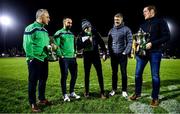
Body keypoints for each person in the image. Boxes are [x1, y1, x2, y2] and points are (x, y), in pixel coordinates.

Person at [129, 5, 170, 107]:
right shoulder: (142, 24)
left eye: (145, 11)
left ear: (152, 11)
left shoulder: (161, 21)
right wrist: (137, 45)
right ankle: (137, 93)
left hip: (155, 52)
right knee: (137, 74)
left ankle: (155, 98)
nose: (143, 13)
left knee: (155, 76)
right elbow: (139, 38)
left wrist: (153, 43)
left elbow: (167, 36)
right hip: (142, 54)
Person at [23, 9, 51, 112]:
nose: (49, 19)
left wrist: (50, 47)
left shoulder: (45, 30)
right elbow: (27, 44)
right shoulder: (31, 28)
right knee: (33, 82)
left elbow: (45, 44)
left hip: (44, 59)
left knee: (43, 80)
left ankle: (42, 99)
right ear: (41, 17)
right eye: (47, 17)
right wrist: (30, 58)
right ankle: (33, 103)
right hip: (34, 59)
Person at [77, 19, 107, 99]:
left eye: (88, 27)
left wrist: (104, 53)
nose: (88, 29)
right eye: (85, 28)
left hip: (96, 56)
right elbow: (78, 47)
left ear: (90, 26)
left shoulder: (95, 33)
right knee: (87, 75)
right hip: (87, 57)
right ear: (83, 29)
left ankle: (102, 92)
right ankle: (86, 91)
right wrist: (86, 42)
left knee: (100, 74)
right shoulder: (80, 35)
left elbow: (101, 43)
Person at [54, 17, 80, 102]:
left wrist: (75, 53)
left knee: (74, 75)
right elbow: (56, 45)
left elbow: (74, 45)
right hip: (64, 58)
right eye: (68, 23)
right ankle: (65, 94)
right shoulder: (59, 33)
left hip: (72, 58)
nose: (70, 24)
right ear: (64, 23)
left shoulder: (71, 34)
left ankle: (72, 92)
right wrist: (60, 55)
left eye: (71, 23)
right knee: (64, 76)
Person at [108, 13, 133, 98]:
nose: (116, 21)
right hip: (114, 56)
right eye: (115, 20)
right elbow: (109, 43)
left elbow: (130, 41)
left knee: (123, 73)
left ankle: (124, 90)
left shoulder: (127, 29)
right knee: (114, 73)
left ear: (121, 19)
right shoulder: (111, 30)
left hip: (122, 55)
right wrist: (110, 53)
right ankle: (114, 89)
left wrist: (125, 52)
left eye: (118, 20)